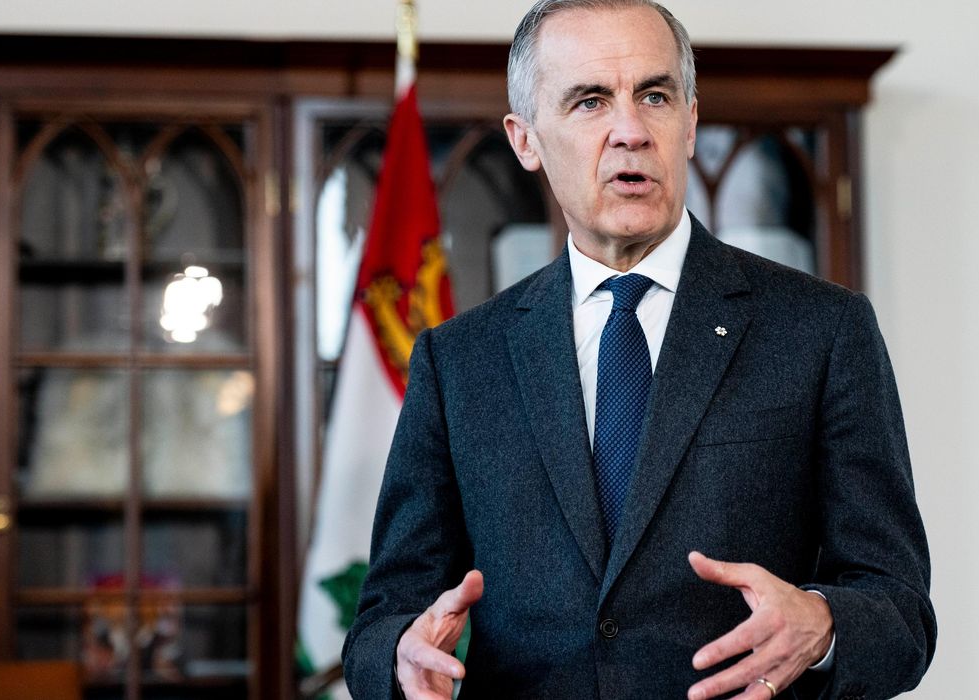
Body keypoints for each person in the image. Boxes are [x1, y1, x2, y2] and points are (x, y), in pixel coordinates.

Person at [342, 1, 936, 698]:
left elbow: (901, 614)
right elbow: (384, 616)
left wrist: (824, 623)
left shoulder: (822, 330)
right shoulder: (458, 361)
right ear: (526, 139)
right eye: (590, 101)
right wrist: (401, 656)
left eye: (655, 96)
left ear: (690, 122)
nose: (631, 131)